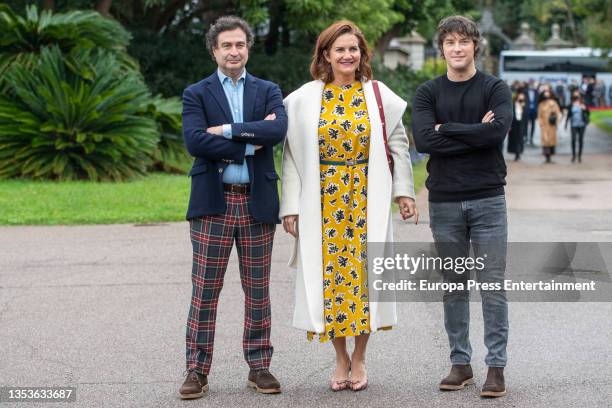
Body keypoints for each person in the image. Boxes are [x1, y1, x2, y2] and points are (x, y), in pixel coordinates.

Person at [279, 20, 418, 392]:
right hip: (322, 200)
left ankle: (360, 358)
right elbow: (290, 156)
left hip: (366, 198)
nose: (347, 55)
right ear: (326, 55)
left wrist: (404, 193)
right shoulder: (304, 99)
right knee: (331, 281)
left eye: (353, 49)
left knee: (365, 281)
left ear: (362, 55)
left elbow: (399, 146)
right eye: (339, 49)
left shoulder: (377, 95)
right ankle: (341, 357)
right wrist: (289, 207)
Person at [179, 15, 288, 399]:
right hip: (213, 204)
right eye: (227, 45)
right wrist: (247, 141)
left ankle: (259, 366)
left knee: (257, 290)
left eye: (240, 44)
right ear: (214, 50)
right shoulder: (197, 93)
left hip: (256, 202)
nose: (234, 51)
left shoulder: (268, 89)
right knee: (204, 290)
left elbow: (276, 131)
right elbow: (194, 142)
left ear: (248, 48)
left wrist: (225, 131)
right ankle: (196, 368)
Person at [412, 15, 512, 398]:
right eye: (450, 42)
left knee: (492, 286)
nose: (457, 48)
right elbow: (424, 142)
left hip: (488, 198)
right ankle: (460, 363)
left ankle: (496, 368)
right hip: (445, 203)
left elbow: (496, 133)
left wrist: (446, 128)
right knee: (454, 287)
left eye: (463, 41)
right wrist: (473, 133)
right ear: (442, 49)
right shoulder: (428, 93)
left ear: (475, 46)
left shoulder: (494, 88)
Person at [537, 89, 562, 164]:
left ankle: (550, 156)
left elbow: (558, 113)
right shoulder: (541, 104)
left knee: (551, 141)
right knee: (545, 141)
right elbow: (539, 115)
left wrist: (557, 122)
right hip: (544, 125)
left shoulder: (553, 103)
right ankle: (547, 157)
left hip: (552, 125)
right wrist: (541, 123)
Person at [565, 94, 590, 163]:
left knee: (580, 140)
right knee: (573, 139)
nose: (577, 99)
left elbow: (588, 113)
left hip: (582, 124)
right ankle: (573, 155)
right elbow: (568, 114)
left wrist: (584, 109)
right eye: (576, 98)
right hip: (574, 124)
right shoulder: (571, 105)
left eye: (578, 98)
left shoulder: (583, 104)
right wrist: (566, 124)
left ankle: (579, 156)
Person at [508, 92, 527, 161]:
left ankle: (518, 153)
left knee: (520, 139)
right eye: (520, 96)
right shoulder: (513, 104)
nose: (522, 98)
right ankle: (516, 153)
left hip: (521, 123)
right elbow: (510, 115)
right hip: (514, 124)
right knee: (514, 139)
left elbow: (525, 116)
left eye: (523, 97)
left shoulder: (523, 105)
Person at [526, 79, 538, 145]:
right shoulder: (525, 91)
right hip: (527, 110)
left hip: (534, 110)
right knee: (526, 125)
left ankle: (531, 138)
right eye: (530, 83)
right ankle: (526, 137)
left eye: (532, 83)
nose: (531, 84)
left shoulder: (536, 91)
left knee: (533, 125)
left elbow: (537, 101)